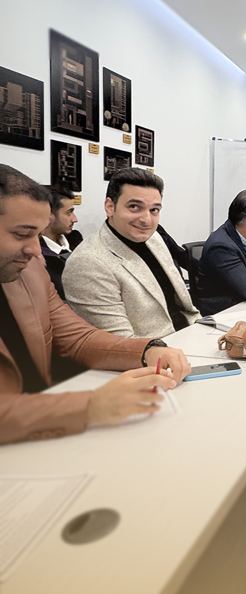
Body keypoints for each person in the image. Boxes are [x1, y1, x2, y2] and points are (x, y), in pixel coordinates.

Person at [0, 165, 190, 445]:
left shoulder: (30, 271)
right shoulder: (86, 260)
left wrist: (148, 350)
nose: (36, 250)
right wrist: (89, 405)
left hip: (45, 430)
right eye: (21, 234)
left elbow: (78, 337)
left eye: (37, 236)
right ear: (110, 206)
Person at [63, 167, 199, 339]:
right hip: (156, 349)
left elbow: (187, 310)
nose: (146, 220)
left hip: (191, 333)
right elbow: (121, 345)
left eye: (154, 210)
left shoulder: (154, 238)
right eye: (134, 207)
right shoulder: (87, 263)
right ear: (110, 207)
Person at [40, 185, 83, 300]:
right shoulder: (36, 257)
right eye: (69, 213)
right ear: (48, 215)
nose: (75, 219)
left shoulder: (76, 240)